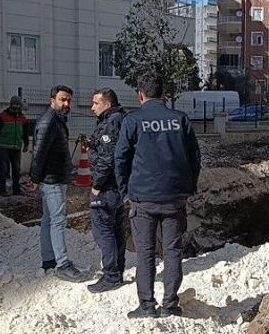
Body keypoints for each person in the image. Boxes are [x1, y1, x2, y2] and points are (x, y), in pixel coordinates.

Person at [116, 73, 201, 319]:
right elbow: (195, 158)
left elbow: (120, 159)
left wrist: (125, 192)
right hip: (175, 197)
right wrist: (189, 188)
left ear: (140, 95)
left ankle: (147, 306)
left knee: (145, 252)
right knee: (173, 250)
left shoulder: (132, 121)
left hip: (143, 198)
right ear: (164, 94)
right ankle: (170, 305)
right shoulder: (180, 119)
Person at [30, 85, 86, 282]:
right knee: (58, 220)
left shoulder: (56, 120)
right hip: (52, 179)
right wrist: (35, 178)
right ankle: (62, 264)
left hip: (55, 178)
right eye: (63, 99)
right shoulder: (49, 121)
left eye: (69, 100)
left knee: (49, 219)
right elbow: (39, 152)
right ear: (52, 99)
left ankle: (49, 261)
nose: (66, 104)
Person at [85, 88, 127, 293]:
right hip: (117, 186)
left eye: (96, 103)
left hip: (107, 186)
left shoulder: (112, 122)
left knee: (103, 229)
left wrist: (96, 186)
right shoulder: (116, 119)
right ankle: (117, 271)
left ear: (107, 104)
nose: (92, 107)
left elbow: (107, 158)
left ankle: (111, 275)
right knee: (116, 228)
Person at [0, 95, 30, 196]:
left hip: (16, 147)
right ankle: (2, 190)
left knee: (16, 169)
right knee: (4, 169)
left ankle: (16, 189)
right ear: (10, 105)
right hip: (3, 146)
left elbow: (25, 133)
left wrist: (26, 144)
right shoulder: (2, 116)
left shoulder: (23, 119)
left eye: (18, 106)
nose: (16, 108)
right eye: (14, 106)